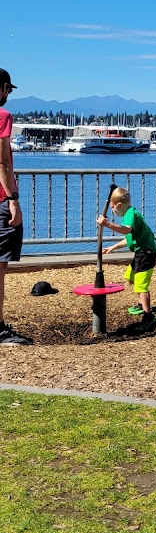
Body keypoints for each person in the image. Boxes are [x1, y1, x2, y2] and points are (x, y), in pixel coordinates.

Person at [97, 186, 156, 332]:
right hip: (141, 252)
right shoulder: (129, 214)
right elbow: (129, 238)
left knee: (141, 285)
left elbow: (126, 230)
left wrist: (107, 224)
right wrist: (112, 248)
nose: (112, 211)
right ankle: (140, 304)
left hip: (147, 253)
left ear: (119, 205)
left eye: (113, 208)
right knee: (130, 276)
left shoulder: (130, 215)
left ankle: (148, 316)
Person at [0, 68, 32, 345]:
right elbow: (3, 162)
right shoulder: (3, 117)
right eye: (8, 88)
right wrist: (13, 200)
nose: (9, 93)